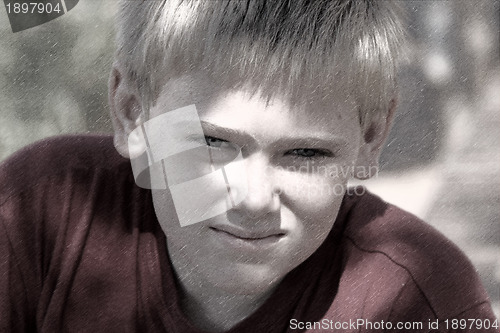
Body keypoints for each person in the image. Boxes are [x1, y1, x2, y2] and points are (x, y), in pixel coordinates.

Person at [0, 1, 497, 332]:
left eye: (306, 153)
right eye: (211, 142)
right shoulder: (42, 213)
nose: (255, 199)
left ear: (370, 138)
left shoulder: (421, 296)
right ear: (133, 113)